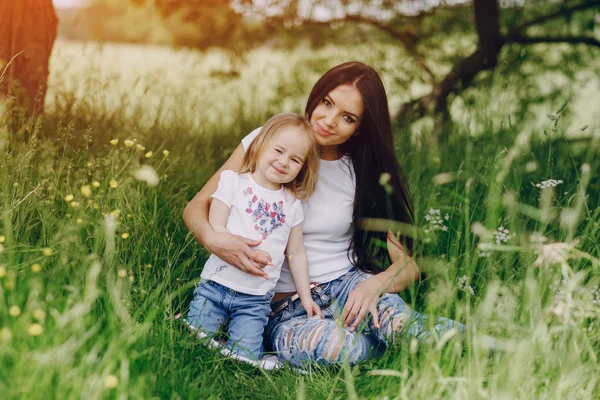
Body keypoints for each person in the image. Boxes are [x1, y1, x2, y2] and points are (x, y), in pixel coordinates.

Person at [184, 62, 463, 367]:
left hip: (348, 287)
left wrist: (375, 284)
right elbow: (197, 207)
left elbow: (408, 264)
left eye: (347, 117)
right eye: (327, 103)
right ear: (316, 96)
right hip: (277, 308)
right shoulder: (267, 142)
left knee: (404, 326)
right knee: (336, 348)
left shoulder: (364, 171)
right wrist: (215, 239)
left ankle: (494, 349)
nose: (329, 121)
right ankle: (381, 347)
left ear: (360, 127)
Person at [185, 113, 323, 362]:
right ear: (259, 146)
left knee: (245, 358)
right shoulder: (233, 183)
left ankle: (236, 344)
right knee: (193, 342)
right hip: (215, 287)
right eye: (278, 151)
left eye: (294, 160)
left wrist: (305, 297)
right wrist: (238, 247)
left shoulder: (291, 204)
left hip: (256, 299)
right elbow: (217, 226)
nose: (283, 162)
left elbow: (297, 253)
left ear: (302, 168)